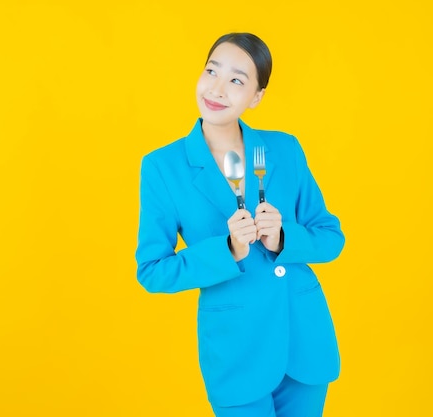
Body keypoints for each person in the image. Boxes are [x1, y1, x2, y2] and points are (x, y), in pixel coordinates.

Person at [135, 32, 345, 417]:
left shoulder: (284, 148)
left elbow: (331, 237)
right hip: (237, 352)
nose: (216, 88)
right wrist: (226, 250)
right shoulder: (162, 167)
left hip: (304, 342)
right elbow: (152, 271)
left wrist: (284, 237)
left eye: (236, 80)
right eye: (211, 71)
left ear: (257, 97)